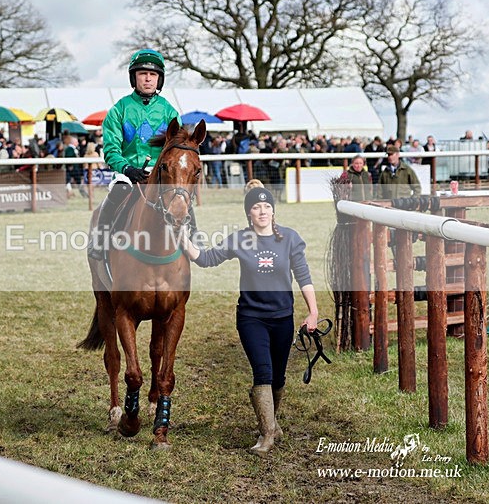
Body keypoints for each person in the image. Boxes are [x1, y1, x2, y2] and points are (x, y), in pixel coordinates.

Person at [179, 186, 318, 457]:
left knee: (278, 377)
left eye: (266, 207)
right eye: (256, 207)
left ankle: (272, 423)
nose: (262, 211)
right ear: (249, 213)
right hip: (251, 318)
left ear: (273, 211)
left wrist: (312, 312)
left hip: (282, 318)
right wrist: (183, 239)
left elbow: (303, 276)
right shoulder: (240, 239)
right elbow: (206, 259)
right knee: (263, 373)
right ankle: (266, 434)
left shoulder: (290, 239)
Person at [88, 48, 181, 259]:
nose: (148, 79)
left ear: (160, 79)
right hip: (127, 173)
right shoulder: (118, 110)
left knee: (180, 197)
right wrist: (127, 169)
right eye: (142, 74)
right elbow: (111, 150)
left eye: (153, 74)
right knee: (116, 194)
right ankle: (101, 241)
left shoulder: (170, 112)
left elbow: (175, 151)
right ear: (134, 77)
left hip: (160, 174)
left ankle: (193, 236)